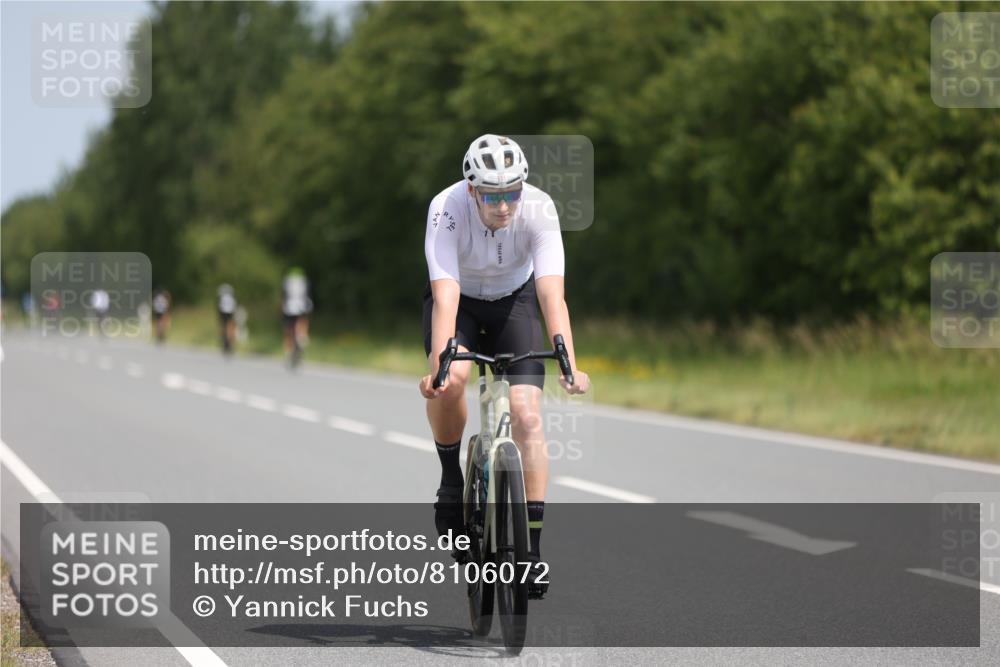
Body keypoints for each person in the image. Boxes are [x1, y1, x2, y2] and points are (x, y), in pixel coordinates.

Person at [419, 134, 590, 598]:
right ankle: (451, 483)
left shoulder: (538, 208)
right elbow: (445, 296)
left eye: (511, 192)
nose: (504, 204)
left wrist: (568, 362)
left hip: (514, 303)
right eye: (492, 195)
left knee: (528, 415)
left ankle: (531, 553)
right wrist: (440, 362)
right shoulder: (447, 207)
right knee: (451, 380)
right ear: (471, 188)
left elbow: (552, 293)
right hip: (461, 305)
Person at [281, 267, 312, 360]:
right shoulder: (304, 281)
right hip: (302, 305)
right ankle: (302, 335)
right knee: (303, 320)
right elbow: (308, 294)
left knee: (288, 329)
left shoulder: (287, 281)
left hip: (289, 307)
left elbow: (284, 295)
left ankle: (288, 350)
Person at [217, 284, 237, 354]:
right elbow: (234, 308)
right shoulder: (232, 298)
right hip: (230, 314)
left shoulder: (222, 298)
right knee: (230, 328)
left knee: (224, 328)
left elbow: (220, 308)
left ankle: (225, 343)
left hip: (224, 314)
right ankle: (230, 344)